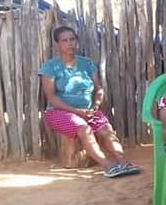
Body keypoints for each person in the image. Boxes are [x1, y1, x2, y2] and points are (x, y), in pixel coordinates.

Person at [39, 26, 140, 178]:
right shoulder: (50, 67)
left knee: (106, 130)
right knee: (84, 130)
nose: (70, 44)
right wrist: (77, 112)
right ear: (57, 44)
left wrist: (96, 106)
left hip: (88, 111)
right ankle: (108, 166)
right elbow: (51, 97)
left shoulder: (87, 64)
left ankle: (123, 162)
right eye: (64, 40)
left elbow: (99, 89)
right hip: (59, 112)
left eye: (72, 39)